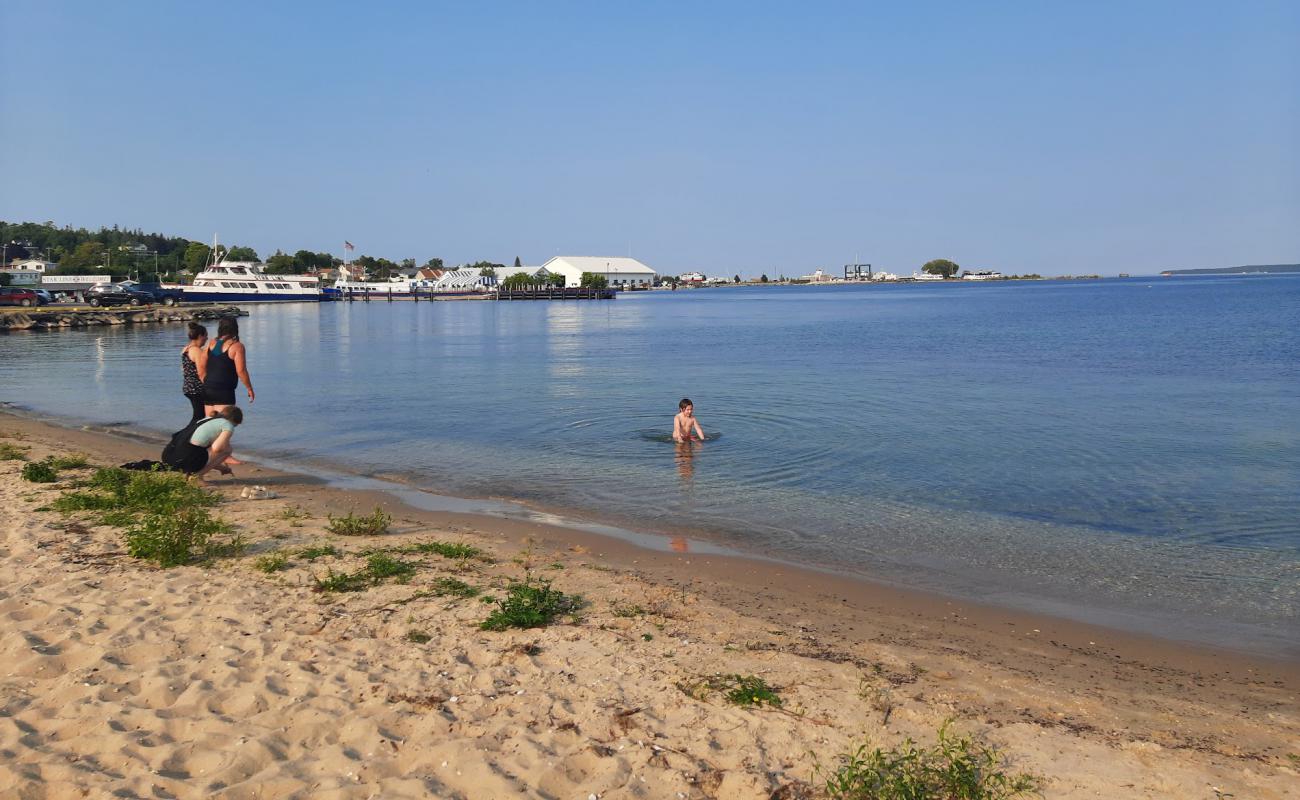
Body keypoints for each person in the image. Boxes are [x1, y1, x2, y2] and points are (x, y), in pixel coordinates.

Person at [169, 406, 242, 482]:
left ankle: (190, 473)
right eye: (235, 425)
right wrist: (225, 444)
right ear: (233, 420)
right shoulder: (228, 425)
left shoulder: (207, 419)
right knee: (227, 449)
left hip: (171, 457)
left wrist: (223, 468)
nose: (234, 427)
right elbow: (217, 448)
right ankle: (197, 477)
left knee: (200, 449)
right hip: (186, 459)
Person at [200, 316, 254, 415]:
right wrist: (249, 388)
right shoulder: (237, 346)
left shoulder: (211, 343)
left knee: (210, 424)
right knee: (225, 425)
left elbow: (201, 365)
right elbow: (241, 370)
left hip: (208, 388)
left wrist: (205, 380)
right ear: (235, 328)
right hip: (224, 390)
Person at [180, 322, 208, 424]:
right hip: (196, 388)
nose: (207, 338)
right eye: (206, 336)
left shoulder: (186, 349)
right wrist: (208, 386)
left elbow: (183, 369)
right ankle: (183, 437)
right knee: (199, 416)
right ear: (200, 336)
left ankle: (187, 437)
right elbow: (201, 372)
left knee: (199, 415)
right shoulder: (196, 351)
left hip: (188, 386)